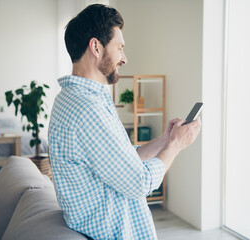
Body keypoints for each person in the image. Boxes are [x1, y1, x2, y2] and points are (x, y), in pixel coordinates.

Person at [48, 4, 201, 240]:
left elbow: (122, 160)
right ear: (96, 47)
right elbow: (139, 182)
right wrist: (176, 146)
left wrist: (165, 140)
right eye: (119, 47)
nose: (124, 58)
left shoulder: (70, 99)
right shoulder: (88, 110)